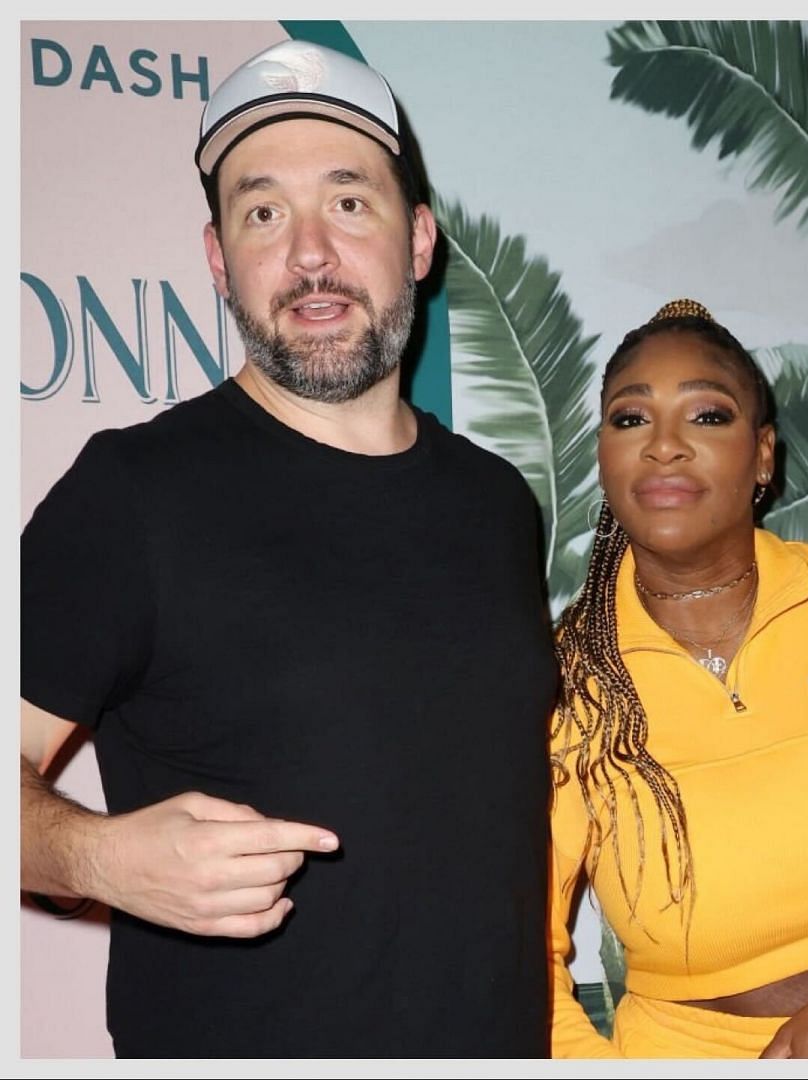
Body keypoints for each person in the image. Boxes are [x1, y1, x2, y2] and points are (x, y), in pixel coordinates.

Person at [19, 40, 556, 1057]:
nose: (309, 252)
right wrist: (92, 856)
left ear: (422, 239)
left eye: (350, 203)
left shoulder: (496, 503)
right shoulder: (131, 496)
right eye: (263, 212)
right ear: (219, 258)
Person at [546, 299, 808, 1059]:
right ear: (603, 455)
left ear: (763, 455)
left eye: (706, 417)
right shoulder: (566, 681)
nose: (664, 447)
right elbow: (517, 951)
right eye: (631, 420)